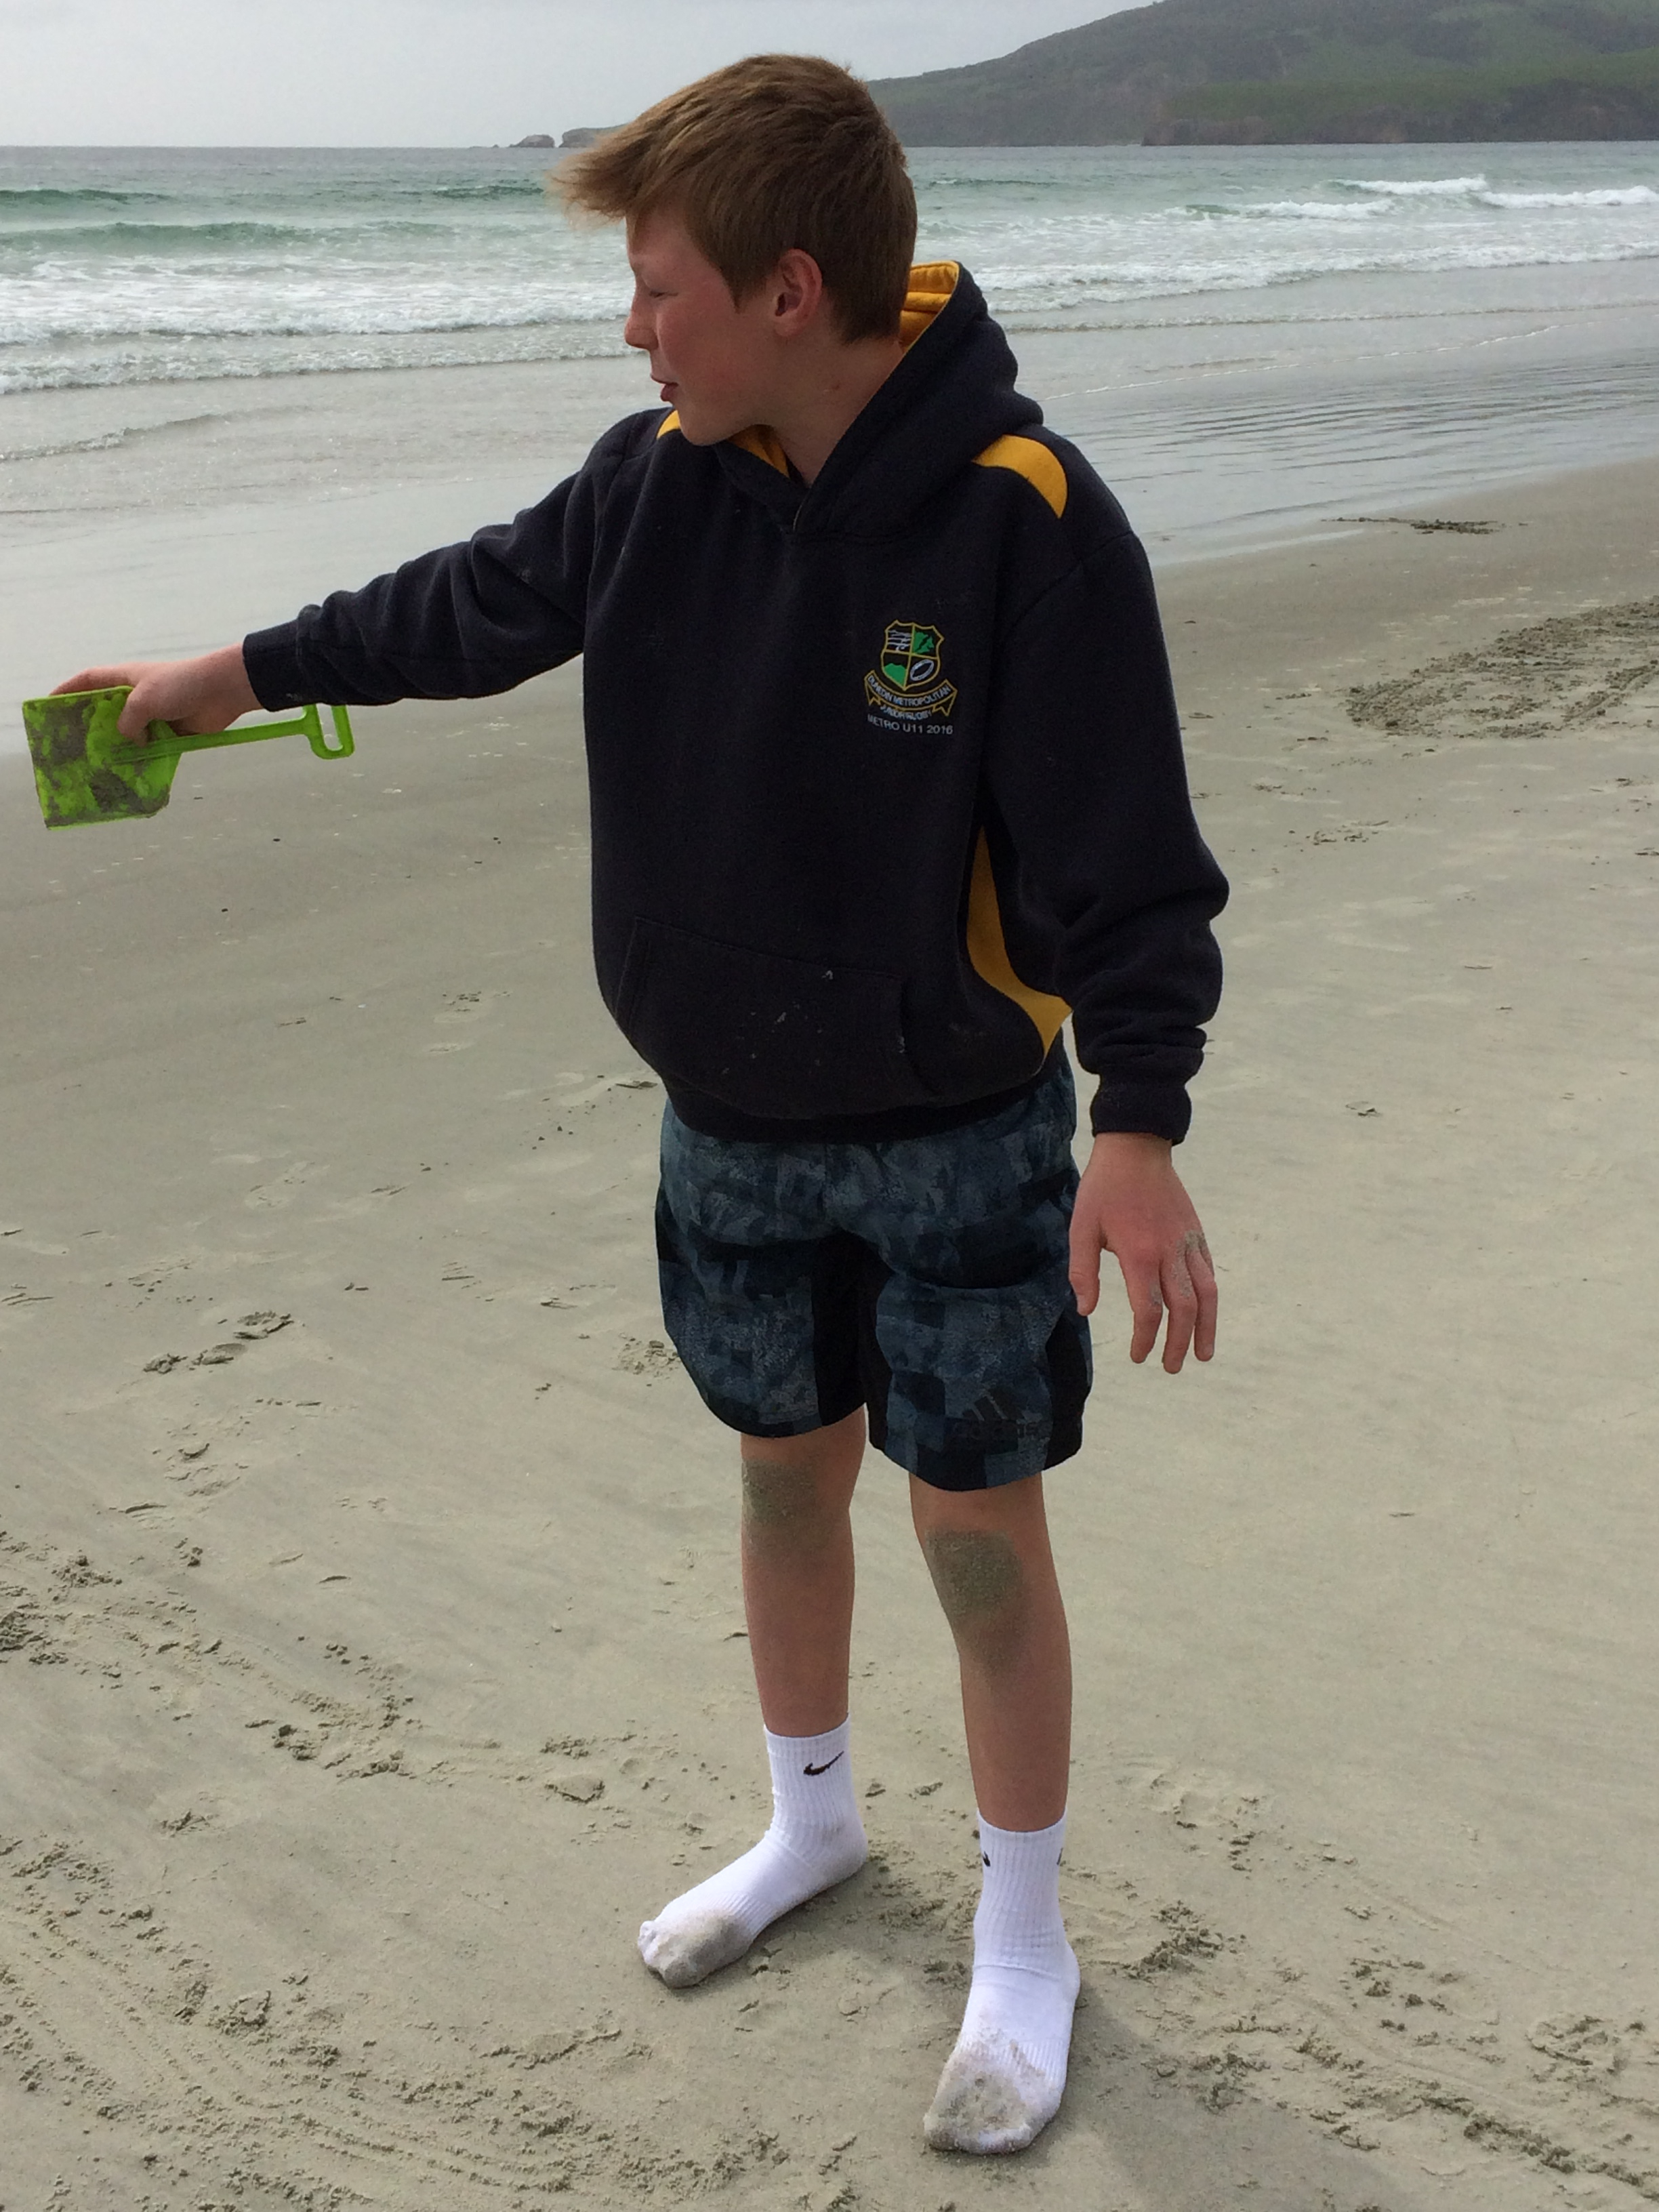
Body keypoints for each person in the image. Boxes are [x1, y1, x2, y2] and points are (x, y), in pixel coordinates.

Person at [55, 55, 1227, 2157]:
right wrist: (223, 676)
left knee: (973, 1535)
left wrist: (1137, 1124)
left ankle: (1023, 1935)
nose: (632, 329)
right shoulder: (653, 487)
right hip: (731, 1124)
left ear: (790, 292)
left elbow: (1129, 855)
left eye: (658, 288)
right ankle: (811, 1826)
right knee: (784, 1482)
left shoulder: (1023, 521)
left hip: (961, 1131)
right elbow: (466, 604)